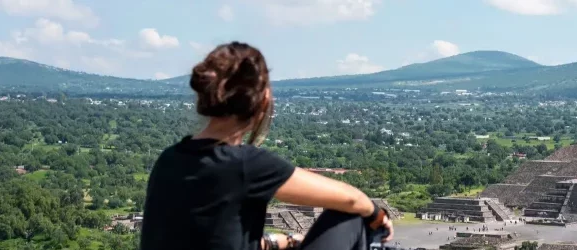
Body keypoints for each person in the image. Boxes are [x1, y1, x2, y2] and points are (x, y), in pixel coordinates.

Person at [139, 41, 393, 250]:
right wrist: (377, 216)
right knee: (348, 217)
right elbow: (352, 199)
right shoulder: (246, 164)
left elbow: (212, 239)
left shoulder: (169, 159)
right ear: (262, 101)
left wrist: (289, 241)